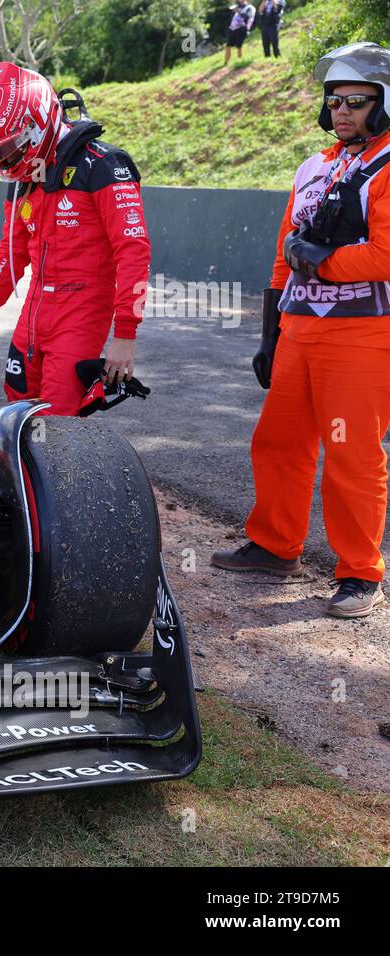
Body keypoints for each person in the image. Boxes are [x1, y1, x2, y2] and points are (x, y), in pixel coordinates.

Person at [212, 43, 390, 618]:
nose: (342, 112)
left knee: (351, 453)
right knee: (278, 442)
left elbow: (385, 255)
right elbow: (283, 255)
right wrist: (271, 332)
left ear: (383, 104)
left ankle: (360, 573)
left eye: (357, 102)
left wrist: (323, 261)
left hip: (363, 337)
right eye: (335, 101)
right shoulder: (315, 166)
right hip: (300, 330)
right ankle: (274, 545)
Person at [0, 62, 151, 416]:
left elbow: (134, 254)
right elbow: (10, 258)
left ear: (34, 126)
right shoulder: (25, 179)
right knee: (16, 411)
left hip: (81, 316)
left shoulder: (104, 165)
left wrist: (125, 335)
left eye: (6, 150)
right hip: (33, 316)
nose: (0, 162)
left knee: (58, 426)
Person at [225, 0, 256, 67]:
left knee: (239, 46)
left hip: (242, 29)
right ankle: (226, 62)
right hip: (232, 28)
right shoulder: (238, 7)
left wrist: (239, 11)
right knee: (228, 45)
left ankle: (240, 61)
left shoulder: (250, 8)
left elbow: (247, 17)